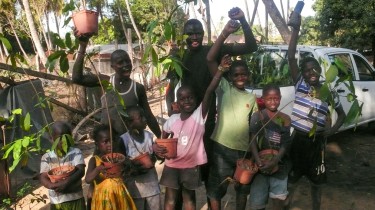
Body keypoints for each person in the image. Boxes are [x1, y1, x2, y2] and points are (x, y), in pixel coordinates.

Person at [165, 6, 258, 191]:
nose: (194, 37)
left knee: (207, 165)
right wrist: (170, 107)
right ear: (184, 36)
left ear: (203, 34)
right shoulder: (179, 56)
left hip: (208, 118)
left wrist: (243, 21)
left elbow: (251, 47)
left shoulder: (214, 50)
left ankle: (210, 196)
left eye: (198, 33)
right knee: (180, 163)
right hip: (186, 118)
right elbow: (170, 85)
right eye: (189, 34)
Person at [154, 51, 232, 210]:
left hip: (190, 167)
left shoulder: (199, 116)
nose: (187, 101)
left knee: (189, 198)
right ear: (178, 102)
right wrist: (162, 146)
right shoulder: (173, 119)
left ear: (196, 99)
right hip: (171, 164)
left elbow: (210, 90)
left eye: (190, 97)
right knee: (170, 199)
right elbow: (164, 133)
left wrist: (220, 70)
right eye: (182, 99)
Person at [286, 13, 346, 210]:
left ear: (320, 70)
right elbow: (291, 56)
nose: (311, 73)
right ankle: (287, 205)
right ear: (302, 74)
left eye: (314, 69)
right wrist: (295, 30)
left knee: (316, 181)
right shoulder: (300, 84)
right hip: (297, 140)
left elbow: (342, 114)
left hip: (317, 143)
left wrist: (331, 130)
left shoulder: (329, 90)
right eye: (307, 71)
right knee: (292, 178)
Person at [205, 20, 258, 210]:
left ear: (248, 75)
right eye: (236, 75)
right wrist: (225, 32)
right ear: (231, 76)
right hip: (221, 148)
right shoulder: (224, 88)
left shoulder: (252, 98)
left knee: (242, 190)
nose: (240, 77)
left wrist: (253, 155)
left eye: (244, 74)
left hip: (242, 151)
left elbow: (254, 127)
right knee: (215, 189)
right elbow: (210, 59)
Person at [72, 36, 161, 139]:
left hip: (131, 143)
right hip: (109, 142)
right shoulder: (106, 82)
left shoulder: (137, 88)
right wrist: (82, 47)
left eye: (127, 61)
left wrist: (161, 137)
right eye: (120, 63)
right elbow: (77, 78)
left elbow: (148, 115)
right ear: (112, 66)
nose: (126, 65)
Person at [249, 84, 292, 210]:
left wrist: (275, 160)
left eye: (276, 98)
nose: (273, 102)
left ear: (280, 98)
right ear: (263, 99)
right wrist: (257, 160)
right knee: (257, 202)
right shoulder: (258, 116)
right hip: (260, 166)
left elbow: (286, 143)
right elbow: (252, 140)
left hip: (279, 165)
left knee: (278, 199)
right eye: (269, 99)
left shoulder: (285, 119)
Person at [118, 106, 162, 210]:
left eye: (144, 116)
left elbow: (154, 156)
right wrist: (133, 166)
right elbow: (122, 162)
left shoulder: (149, 136)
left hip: (152, 185)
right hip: (135, 187)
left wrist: (155, 156)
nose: (145, 119)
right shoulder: (124, 140)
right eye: (141, 117)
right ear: (129, 122)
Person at [85, 124, 136, 210]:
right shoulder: (95, 160)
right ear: (97, 144)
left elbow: (126, 172)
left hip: (119, 195)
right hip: (104, 198)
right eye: (106, 141)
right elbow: (87, 179)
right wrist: (98, 169)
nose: (110, 144)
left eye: (112, 140)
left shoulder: (118, 158)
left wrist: (126, 168)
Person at [39, 121, 86, 210]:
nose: (63, 141)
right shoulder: (47, 157)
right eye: (60, 138)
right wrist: (51, 186)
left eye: (66, 137)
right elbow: (43, 176)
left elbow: (81, 171)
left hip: (75, 197)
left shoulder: (76, 152)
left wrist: (66, 182)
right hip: (57, 201)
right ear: (51, 139)